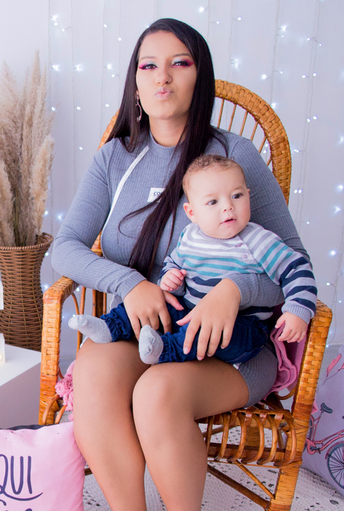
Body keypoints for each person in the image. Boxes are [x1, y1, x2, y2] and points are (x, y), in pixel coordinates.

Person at [50, 18, 313, 511]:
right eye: (149, 65)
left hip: (233, 348)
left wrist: (233, 291)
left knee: (158, 392)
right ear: (135, 84)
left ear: (201, 76)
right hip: (151, 329)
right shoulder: (114, 159)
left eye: (180, 62)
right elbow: (61, 252)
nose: (162, 76)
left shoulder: (233, 157)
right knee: (91, 371)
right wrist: (128, 284)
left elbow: (294, 265)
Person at [67, 154, 315, 367]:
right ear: (192, 213)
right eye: (213, 202)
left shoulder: (256, 239)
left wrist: (298, 309)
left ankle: (167, 350)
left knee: (206, 333)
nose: (228, 207)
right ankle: (110, 326)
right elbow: (174, 263)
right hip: (190, 312)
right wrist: (171, 278)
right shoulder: (191, 237)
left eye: (237, 196)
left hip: (241, 327)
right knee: (162, 307)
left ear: (249, 196)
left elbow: (296, 268)